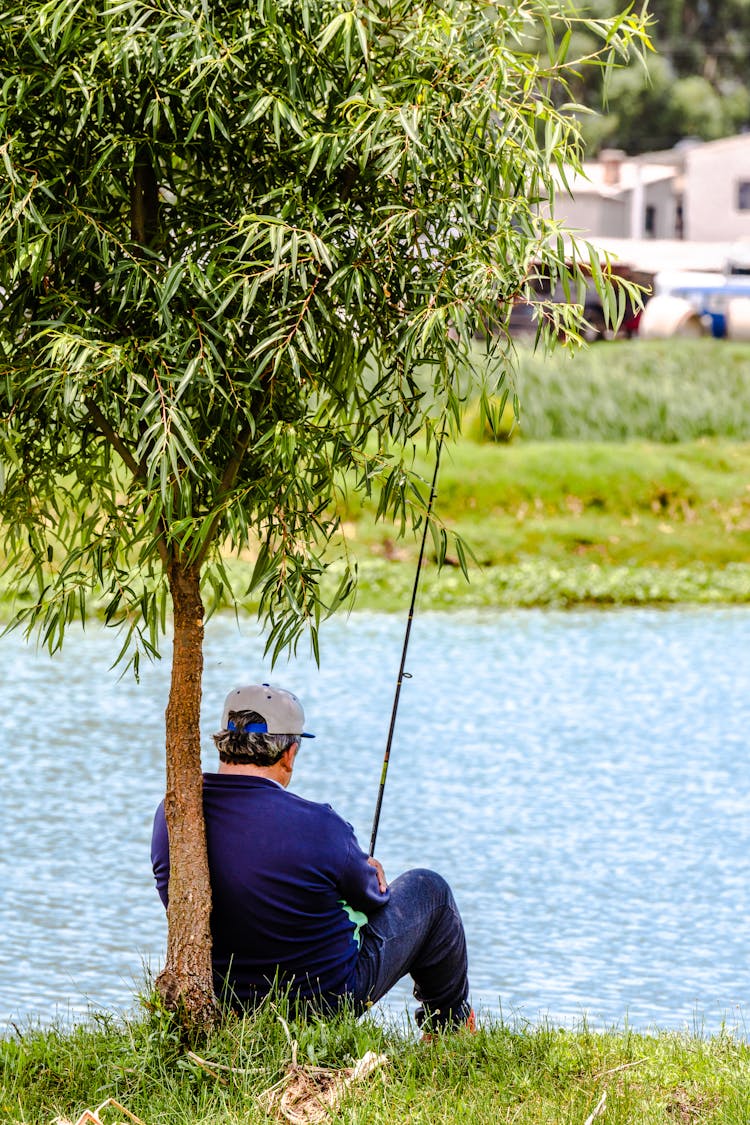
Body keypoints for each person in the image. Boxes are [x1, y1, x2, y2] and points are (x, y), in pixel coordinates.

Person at [151, 682, 473, 1031]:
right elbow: (374, 898)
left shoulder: (175, 816)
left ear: (225, 743)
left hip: (222, 996)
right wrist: (368, 874)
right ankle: (450, 1030)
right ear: (289, 753)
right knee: (430, 891)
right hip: (324, 1001)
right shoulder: (320, 824)